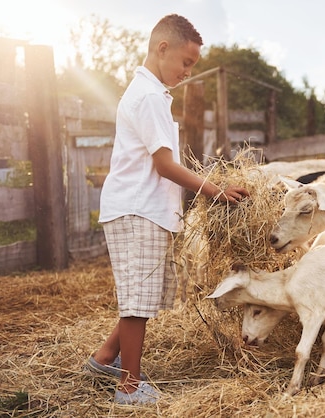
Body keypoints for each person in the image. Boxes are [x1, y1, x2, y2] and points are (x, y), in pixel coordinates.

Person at [83, 14, 249, 405]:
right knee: (138, 299)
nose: (187, 72)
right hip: (136, 207)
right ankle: (128, 387)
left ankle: (106, 357)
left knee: (142, 294)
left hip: (146, 207)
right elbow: (165, 165)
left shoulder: (149, 93)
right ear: (162, 49)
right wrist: (215, 189)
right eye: (186, 62)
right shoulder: (149, 97)